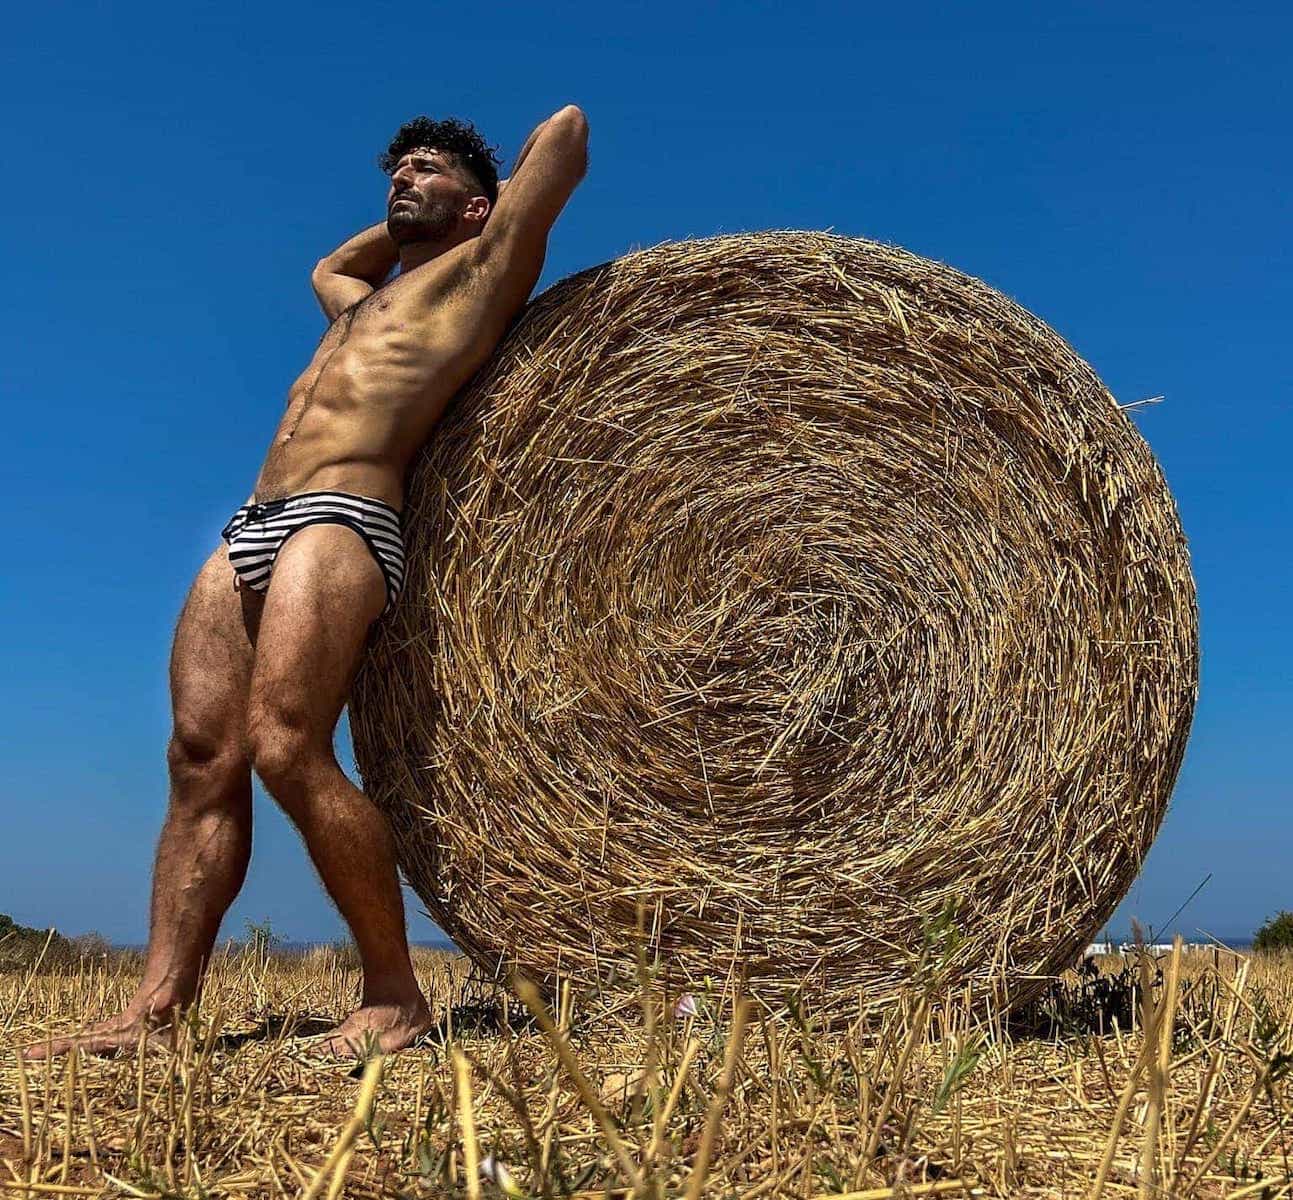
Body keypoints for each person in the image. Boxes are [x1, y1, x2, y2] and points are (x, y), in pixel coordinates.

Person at [23, 106, 590, 1060]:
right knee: (200, 758)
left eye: (422, 171)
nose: (399, 180)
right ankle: (156, 1010)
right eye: (393, 170)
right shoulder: (361, 303)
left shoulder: (482, 277)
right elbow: (329, 266)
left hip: (341, 519)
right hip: (254, 522)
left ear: (479, 204)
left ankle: (394, 993)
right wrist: (412, 215)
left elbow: (565, 136)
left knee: (287, 743)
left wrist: (484, 215)